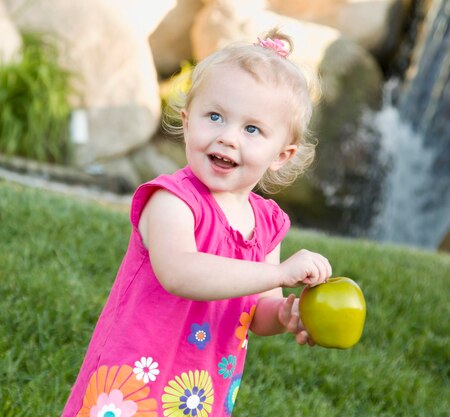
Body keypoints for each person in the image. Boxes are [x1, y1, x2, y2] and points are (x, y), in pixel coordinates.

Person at [62, 28, 332, 417]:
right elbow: (180, 272)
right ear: (187, 122)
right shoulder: (172, 200)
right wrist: (279, 272)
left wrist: (288, 315)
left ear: (282, 154)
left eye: (252, 129)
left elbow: (257, 311)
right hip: (133, 377)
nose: (228, 138)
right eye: (215, 116)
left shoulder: (267, 224)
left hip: (197, 390)